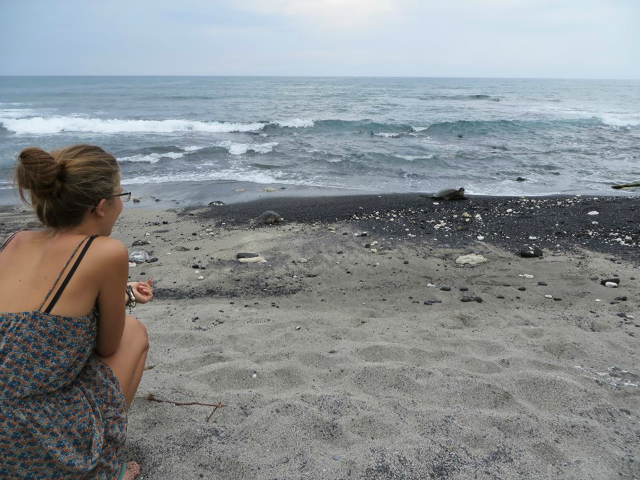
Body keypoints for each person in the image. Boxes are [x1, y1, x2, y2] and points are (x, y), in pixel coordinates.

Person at [0, 145, 152, 480]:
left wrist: (124, 294)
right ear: (101, 206)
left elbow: (38, 320)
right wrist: (120, 302)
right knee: (134, 333)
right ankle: (104, 467)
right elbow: (108, 347)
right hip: (28, 442)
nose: (121, 203)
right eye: (119, 194)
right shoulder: (107, 251)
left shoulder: (16, 241)